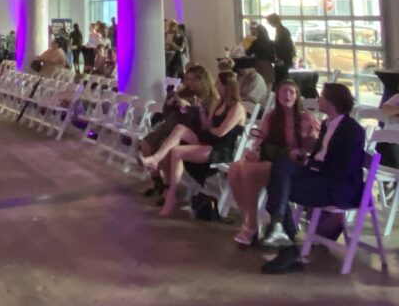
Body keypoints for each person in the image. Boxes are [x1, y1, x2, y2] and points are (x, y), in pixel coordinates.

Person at [260, 82, 365, 267]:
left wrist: (313, 164)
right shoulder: (326, 124)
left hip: (338, 186)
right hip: (318, 174)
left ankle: (286, 241)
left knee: (278, 185)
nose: (318, 100)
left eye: (322, 97)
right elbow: (320, 154)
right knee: (281, 165)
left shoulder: (352, 131)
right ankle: (283, 234)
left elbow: (342, 169)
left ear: (332, 102)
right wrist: (308, 159)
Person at [141, 71, 247, 216]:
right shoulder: (219, 103)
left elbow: (221, 132)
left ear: (226, 86)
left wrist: (208, 128)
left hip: (221, 148)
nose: (215, 85)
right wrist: (200, 110)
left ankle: (171, 196)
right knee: (179, 129)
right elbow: (206, 126)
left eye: (218, 83)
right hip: (209, 139)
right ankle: (155, 159)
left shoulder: (237, 108)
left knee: (177, 151)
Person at [229, 79, 320, 246]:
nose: (287, 95)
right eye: (284, 91)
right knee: (235, 169)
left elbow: (314, 148)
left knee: (249, 172)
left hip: (288, 165)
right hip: (270, 158)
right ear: (277, 96)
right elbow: (260, 141)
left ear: (297, 96)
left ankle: (251, 226)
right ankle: (249, 220)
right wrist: (254, 152)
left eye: (291, 92)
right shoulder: (272, 117)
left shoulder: (306, 118)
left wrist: (301, 150)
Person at [267, 13, 295, 84]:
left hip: (283, 60)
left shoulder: (282, 32)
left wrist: (281, 59)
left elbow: (285, 47)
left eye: (270, 22)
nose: (269, 24)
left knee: (281, 79)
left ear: (273, 22)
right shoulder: (281, 30)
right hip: (284, 59)